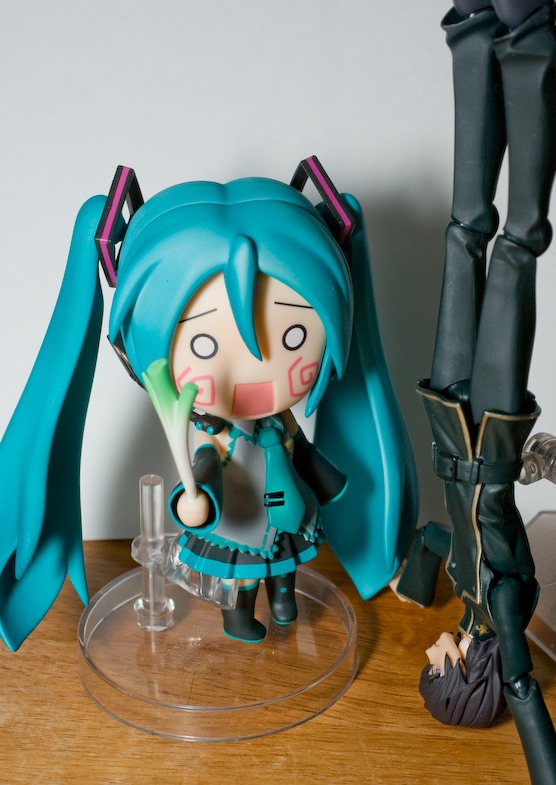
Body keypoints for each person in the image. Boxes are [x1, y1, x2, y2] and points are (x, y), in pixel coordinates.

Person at [0, 158, 417, 648]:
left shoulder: (281, 422)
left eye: (294, 336)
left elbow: (302, 453)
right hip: (238, 519)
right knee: (241, 575)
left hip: (285, 516)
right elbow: (204, 466)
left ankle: (284, 601)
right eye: (203, 346)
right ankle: (239, 617)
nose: (254, 370)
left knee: (284, 565)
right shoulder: (215, 433)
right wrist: (194, 500)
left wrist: (333, 485)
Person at [396, 0, 556, 784]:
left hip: (446, 421)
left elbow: (440, 530)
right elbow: (527, 690)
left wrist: (412, 578)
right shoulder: (502, 609)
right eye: (439, 668)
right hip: (492, 433)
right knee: (516, 247)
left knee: (464, 232)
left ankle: (474, 17)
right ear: (468, 676)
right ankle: (530, 24)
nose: (430, 654)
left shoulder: (466, 598)